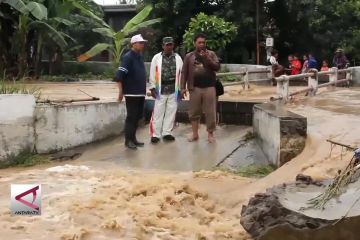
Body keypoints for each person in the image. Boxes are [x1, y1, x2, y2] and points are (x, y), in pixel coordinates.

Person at [181, 33, 220, 143]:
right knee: (194, 112)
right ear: (195, 43)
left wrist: (208, 58)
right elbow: (184, 73)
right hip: (195, 88)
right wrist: (182, 87)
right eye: (199, 42)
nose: (202, 44)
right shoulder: (189, 56)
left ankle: (210, 134)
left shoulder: (211, 54)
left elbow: (217, 67)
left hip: (209, 87)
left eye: (203, 42)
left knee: (210, 112)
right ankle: (195, 134)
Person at [114, 34, 147, 150]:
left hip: (140, 92)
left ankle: (133, 139)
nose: (142, 45)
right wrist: (121, 92)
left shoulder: (139, 56)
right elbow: (119, 76)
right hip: (131, 93)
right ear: (134, 44)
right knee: (131, 117)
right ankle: (128, 140)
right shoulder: (128, 57)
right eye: (140, 43)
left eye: (143, 43)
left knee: (138, 116)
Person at [149, 37, 183, 144]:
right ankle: (155, 134)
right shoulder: (156, 57)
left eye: (171, 45)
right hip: (161, 88)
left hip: (174, 88)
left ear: (173, 45)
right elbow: (152, 73)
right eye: (167, 45)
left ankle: (167, 132)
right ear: (163, 46)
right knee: (158, 112)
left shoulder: (178, 58)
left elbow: (181, 74)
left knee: (171, 112)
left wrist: (182, 89)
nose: (169, 47)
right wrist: (152, 88)